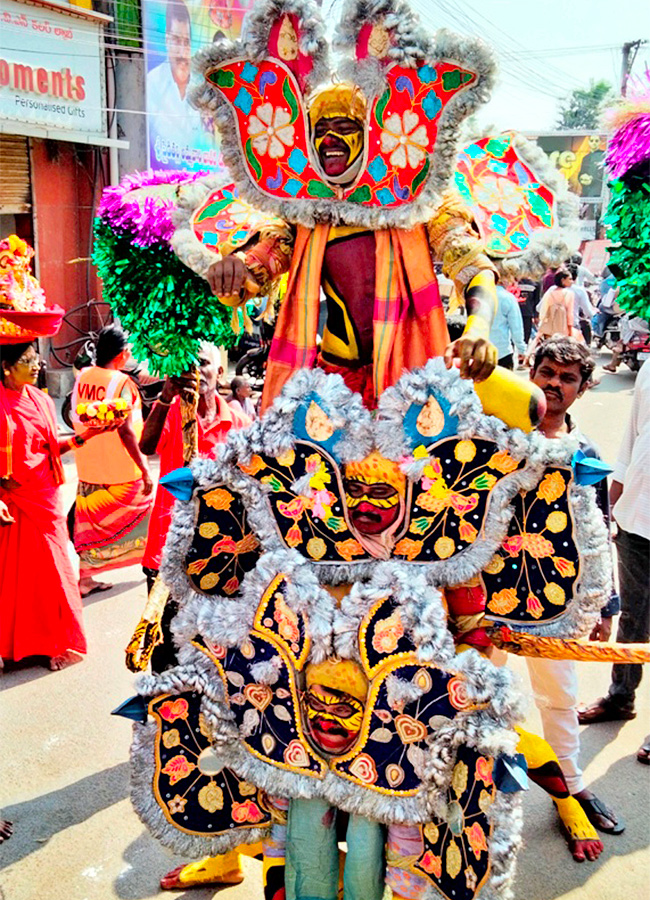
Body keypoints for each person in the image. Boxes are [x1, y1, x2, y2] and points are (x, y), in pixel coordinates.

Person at [206, 82, 501, 415]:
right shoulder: (304, 210)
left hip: (412, 375)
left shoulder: (421, 202)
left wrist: (478, 328)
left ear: (374, 138)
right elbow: (259, 263)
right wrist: (232, 271)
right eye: (320, 131)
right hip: (333, 379)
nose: (329, 140)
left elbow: (472, 262)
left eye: (344, 128)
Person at [139, 342, 252, 890]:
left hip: (219, 580)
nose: (197, 375)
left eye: (205, 367)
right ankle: (219, 846)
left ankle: (243, 837)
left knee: (228, 705)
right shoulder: (168, 409)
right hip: (164, 569)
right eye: (188, 366)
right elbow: (142, 444)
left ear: (220, 372)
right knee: (175, 704)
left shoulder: (239, 419)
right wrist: (164, 401)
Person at [528, 336, 623, 859]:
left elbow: (598, 528)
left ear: (582, 389)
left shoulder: (585, 453)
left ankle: (571, 789)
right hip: (486, 599)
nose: (554, 384)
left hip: (555, 602)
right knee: (468, 691)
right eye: (546, 371)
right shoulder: (497, 437)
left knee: (560, 698)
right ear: (530, 371)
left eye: (567, 378)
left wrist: (605, 604)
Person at [1, 343, 107, 670]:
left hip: (44, 498)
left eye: (36, 359)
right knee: (13, 579)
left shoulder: (42, 400)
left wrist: (86, 435)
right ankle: (11, 648)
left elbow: (50, 450)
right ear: (6, 367)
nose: (36, 366)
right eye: (27, 361)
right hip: (11, 501)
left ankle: (53, 643)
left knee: (52, 574)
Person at [578, 361, 650, 766]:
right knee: (633, 618)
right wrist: (615, 502)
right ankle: (621, 696)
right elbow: (632, 439)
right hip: (639, 515)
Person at [70, 325, 153, 597]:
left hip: (89, 462)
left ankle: (86, 578)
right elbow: (127, 431)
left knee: (89, 524)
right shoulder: (121, 383)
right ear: (123, 353)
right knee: (146, 514)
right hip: (121, 468)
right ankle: (153, 563)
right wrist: (144, 469)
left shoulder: (83, 375)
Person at [147, 0, 205, 164]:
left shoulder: (202, 86)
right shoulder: (152, 84)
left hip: (203, 182)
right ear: (167, 41)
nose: (182, 52)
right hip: (159, 183)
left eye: (186, 42)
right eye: (176, 41)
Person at [489, 281, 527, 368]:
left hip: (479, 352)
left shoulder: (477, 295)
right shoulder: (508, 298)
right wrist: (521, 349)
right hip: (502, 352)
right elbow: (516, 327)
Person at [535, 267, 576, 343]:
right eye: (570, 279)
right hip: (563, 327)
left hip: (549, 327)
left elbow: (542, 308)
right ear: (563, 280)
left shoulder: (551, 292)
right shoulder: (569, 294)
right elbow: (570, 314)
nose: (572, 281)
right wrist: (570, 330)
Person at [567, 263, 596, 345]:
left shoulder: (553, 289)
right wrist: (593, 313)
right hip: (573, 324)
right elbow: (588, 312)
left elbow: (539, 308)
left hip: (554, 327)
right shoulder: (579, 291)